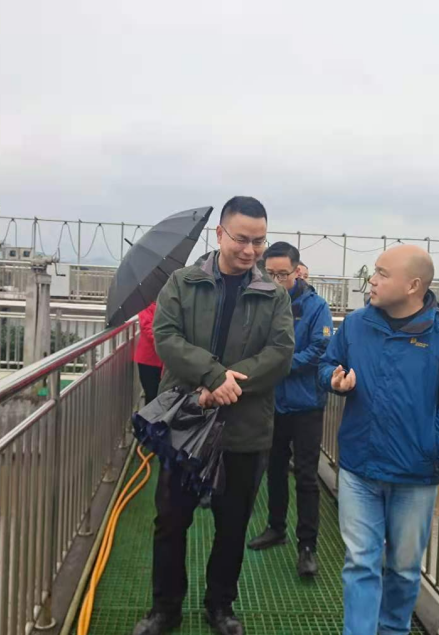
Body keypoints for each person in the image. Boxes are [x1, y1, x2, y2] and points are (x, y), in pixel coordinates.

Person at [132, 196, 295, 635]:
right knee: (170, 521)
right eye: (241, 239)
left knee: (233, 523)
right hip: (186, 421)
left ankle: (220, 606)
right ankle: (165, 609)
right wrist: (212, 376)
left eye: (259, 241)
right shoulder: (183, 283)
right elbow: (166, 336)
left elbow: (281, 352)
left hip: (244, 425)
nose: (250, 250)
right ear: (220, 233)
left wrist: (227, 385)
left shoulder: (274, 294)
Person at [318, 244, 439, 635]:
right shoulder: (357, 324)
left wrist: (430, 445)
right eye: (373, 271)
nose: (371, 280)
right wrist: (333, 380)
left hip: (415, 474)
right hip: (359, 465)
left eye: (382, 273)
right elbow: (326, 363)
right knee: (360, 562)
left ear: (413, 285)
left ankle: (393, 629)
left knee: (405, 569)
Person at [247, 242, 333, 578]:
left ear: (297, 271)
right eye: (270, 273)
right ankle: (276, 527)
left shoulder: (316, 307)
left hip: (306, 404)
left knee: (307, 476)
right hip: (273, 401)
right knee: (275, 468)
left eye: (283, 274)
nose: (277, 280)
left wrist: (281, 364)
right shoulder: (262, 301)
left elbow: (320, 349)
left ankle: (307, 546)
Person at [135, 302, 163, 403]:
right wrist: (165, 342)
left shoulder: (168, 304)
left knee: (163, 394)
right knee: (151, 394)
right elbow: (147, 327)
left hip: (165, 359)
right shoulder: (146, 305)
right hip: (149, 359)